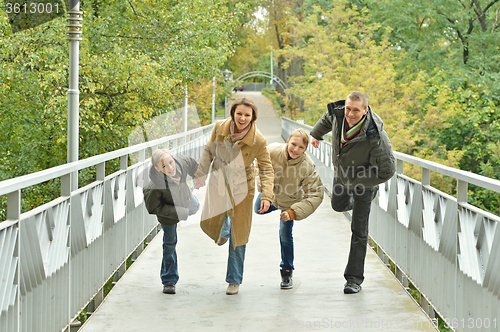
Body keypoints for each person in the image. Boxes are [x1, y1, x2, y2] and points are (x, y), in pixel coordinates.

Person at [310, 91, 395, 294]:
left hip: (364, 183)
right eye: (348, 108)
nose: (350, 113)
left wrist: (359, 182)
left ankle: (354, 279)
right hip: (342, 175)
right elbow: (326, 118)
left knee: (359, 231)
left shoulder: (374, 134)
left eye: (356, 110)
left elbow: (388, 170)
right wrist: (315, 134)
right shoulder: (338, 113)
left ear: (365, 111)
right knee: (337, 205)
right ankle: (353, 201)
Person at [193, 97, 274, 295]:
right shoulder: (219, 128)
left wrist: (267, 195)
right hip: (218, 180)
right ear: (233, 113)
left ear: (253, 117)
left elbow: (266, 168)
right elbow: (208, 150)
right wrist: (200, 173)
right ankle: (223, 230)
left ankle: (234, 280)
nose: (243, 118)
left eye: (247, 115)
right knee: (210, 221)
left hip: (242, 185)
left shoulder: (259, 140)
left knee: (240, 233)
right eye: (239, 113)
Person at [254, 128, 324, 289]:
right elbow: (257, 167)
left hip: (289, 202)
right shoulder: (272, 151)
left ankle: (286, 271)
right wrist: (265, 193)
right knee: (257, 209)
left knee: (285, 234)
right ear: (287, 141)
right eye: (293, 144)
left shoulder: (307, 166)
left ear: (306, 149)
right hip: (270, 196)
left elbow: (316, 194)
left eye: (301, 148)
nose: (296, 150)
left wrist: (293, 212)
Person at [143, 149, 200, 295]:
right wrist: (179, 213)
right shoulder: (154, 187)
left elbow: (192, 163)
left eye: (171, 162)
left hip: (184, 198)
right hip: (168, 214)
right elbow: (153, 208)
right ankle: (169, 280)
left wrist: (196, 175)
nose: (170, 168)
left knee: (196, 206)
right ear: (157, 168)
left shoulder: (181, 164)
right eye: (164, 166)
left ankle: (187, 205)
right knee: (170, 243)